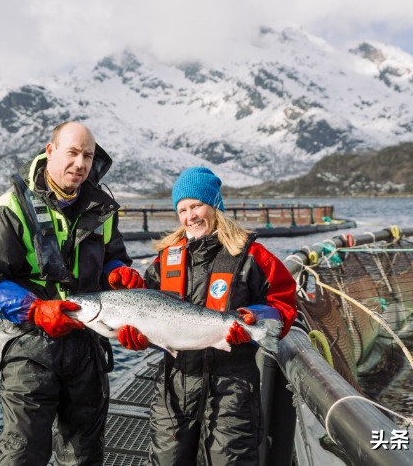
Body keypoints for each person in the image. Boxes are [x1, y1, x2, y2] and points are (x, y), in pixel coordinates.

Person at [0, 121, 145, 466]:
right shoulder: (10, 209)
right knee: (22, 453)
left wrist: (118, 274)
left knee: (84, 455)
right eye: (73, 153)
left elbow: (113, 259)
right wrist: (35, 310)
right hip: (28, 347)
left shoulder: (102, 209)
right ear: (50, 152)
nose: (80, 163)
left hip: (88, 345)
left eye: (88, 156)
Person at [115, 167, 298, 466]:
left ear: (214, 205)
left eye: (197, 205)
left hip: (232, 390)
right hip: (173, 390)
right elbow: (146, 312)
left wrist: (254, 316)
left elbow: (284, 303)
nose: (191, 216)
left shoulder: (253, 255)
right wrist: (138, 338)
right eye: (183, 209)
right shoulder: (164, 260)